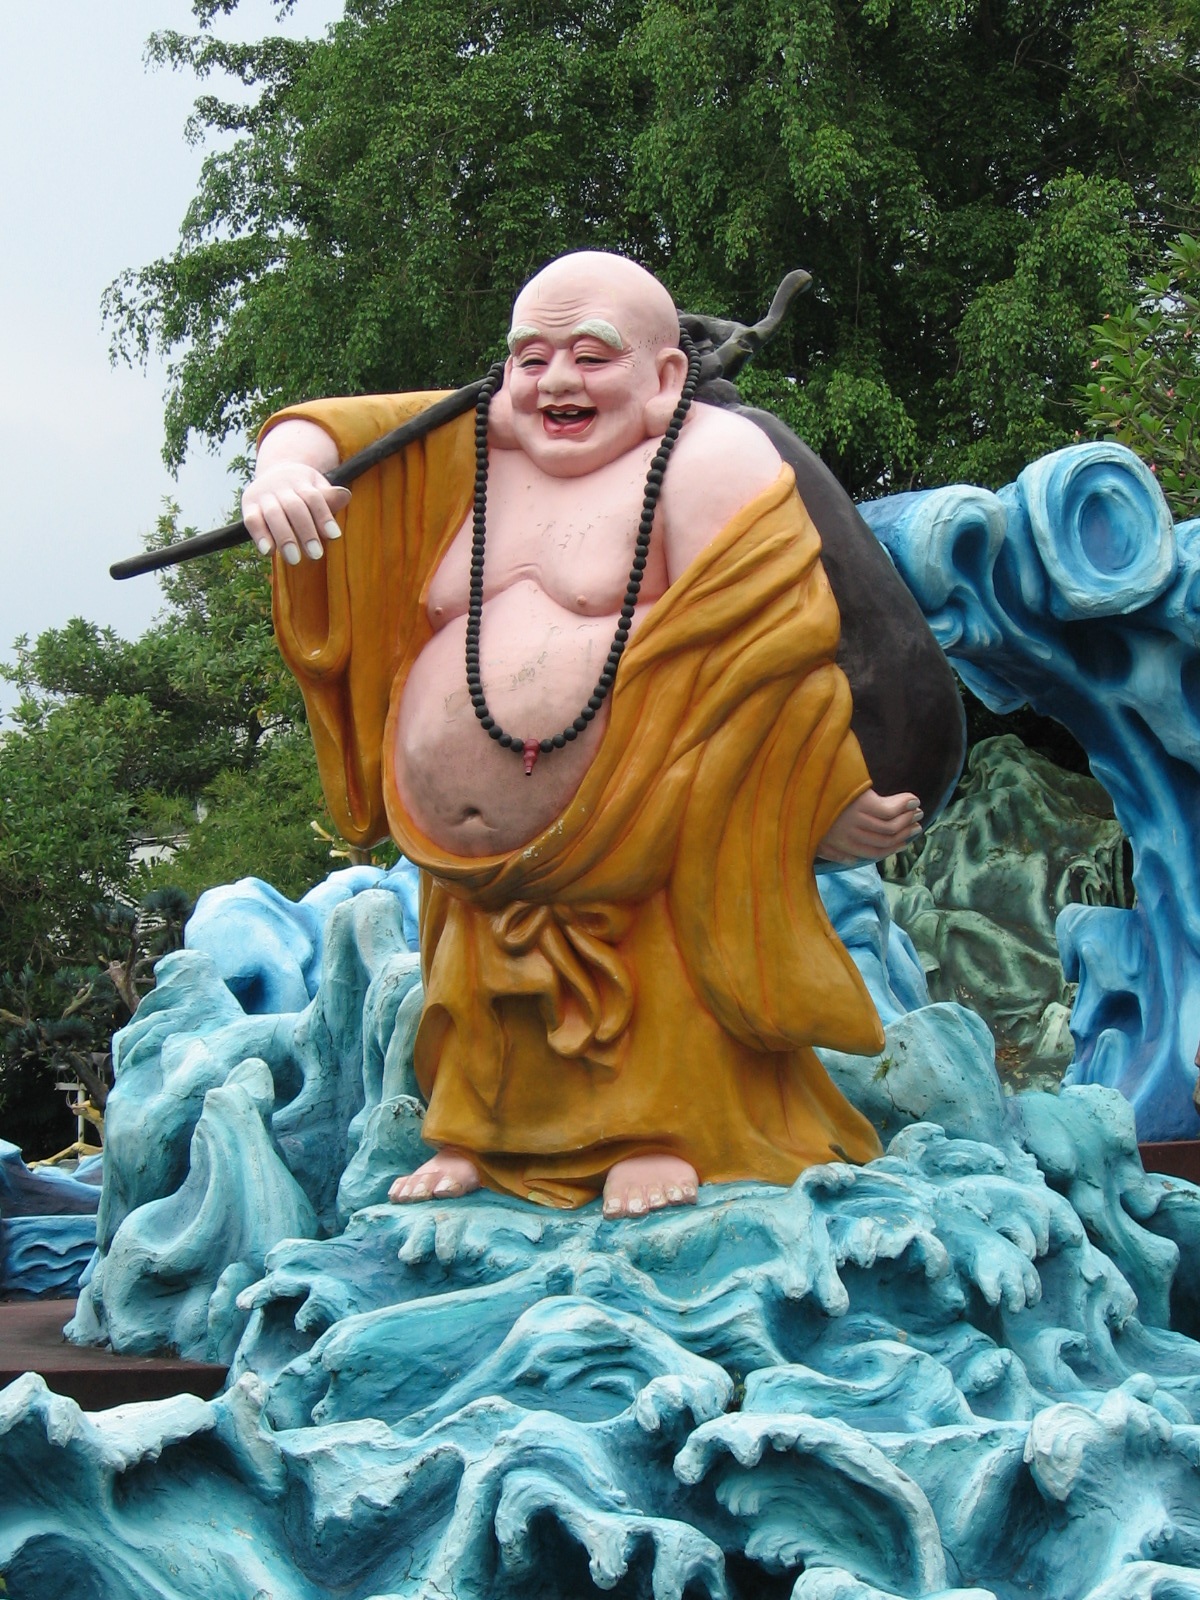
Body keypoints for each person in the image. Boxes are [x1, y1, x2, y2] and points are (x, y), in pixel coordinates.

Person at [243, 251, 922, 1218]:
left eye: (590, 356)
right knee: (483, 995)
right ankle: (481, 1132)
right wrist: (284, 473)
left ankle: (666, 1126)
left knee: (657, 968)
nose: (556, 381)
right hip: (471, 863)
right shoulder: (467, 446)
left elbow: (766, 653)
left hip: (638, 821)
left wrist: (822, 794)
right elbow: (333, 427)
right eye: (531, 357)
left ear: (666, 376)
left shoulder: (706, 460)